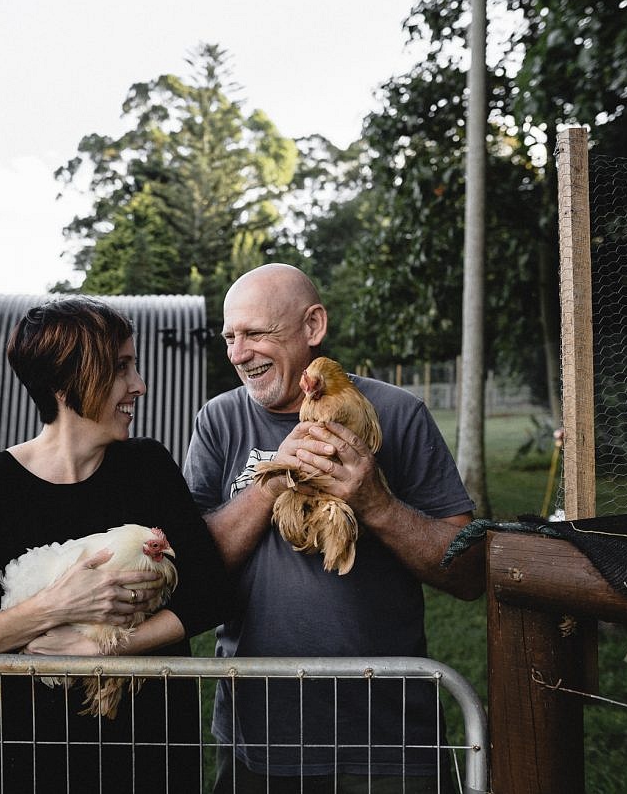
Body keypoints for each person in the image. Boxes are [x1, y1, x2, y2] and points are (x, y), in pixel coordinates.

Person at [182, 263, 485, 793]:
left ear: (313, 326)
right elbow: (191, 570)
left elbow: (467, 573)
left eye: (255, 333)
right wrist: (272, 482)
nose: (236, 353)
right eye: (230, 337)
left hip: (387, 738)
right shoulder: (218, 422)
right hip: (262, 734)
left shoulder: (399, 413)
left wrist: (378, 505)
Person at [0, 296, 229, 793]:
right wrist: (55, 606)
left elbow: (212, 591)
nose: (140, 385)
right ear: (66, 382)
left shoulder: (148, 468)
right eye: (120, 369)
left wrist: (101, 648)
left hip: (146, 753)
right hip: (27, 758)